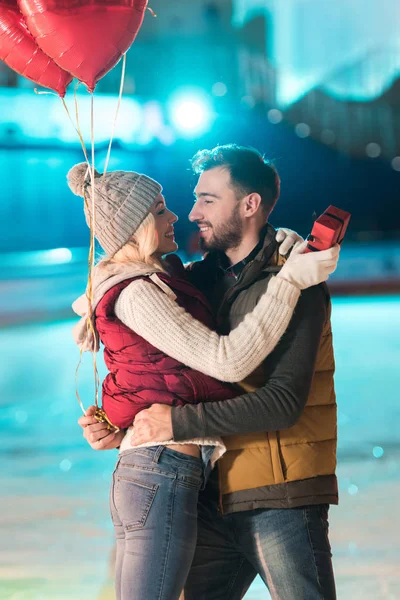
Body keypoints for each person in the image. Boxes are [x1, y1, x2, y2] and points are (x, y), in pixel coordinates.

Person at [77, 145, 340, 600]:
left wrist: (176, 422)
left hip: (279, 495)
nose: (191, 212)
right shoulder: (197, 281)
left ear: (250, 205)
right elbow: (159, 368)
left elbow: (282, 402)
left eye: (207, 200)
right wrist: (117, 421)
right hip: (208, 489)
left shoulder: (298, 284)